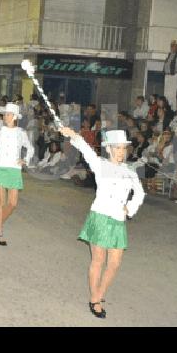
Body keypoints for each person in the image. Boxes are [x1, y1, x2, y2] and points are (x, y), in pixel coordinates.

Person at [59, 127, 145, 319]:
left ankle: (97, 295)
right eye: (118, 148)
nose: (121, 152)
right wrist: (72, 134)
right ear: (109, 149)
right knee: (99, 260)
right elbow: (85, 148)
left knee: (114, 263)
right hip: (100, 216)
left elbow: (139, 193)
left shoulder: (129, 171)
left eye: (124, 148)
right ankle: (95, 299)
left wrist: (129, 209)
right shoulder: (100, 165)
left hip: (118, 220)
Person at [0, 103, 33, 246]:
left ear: (14, 117)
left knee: (13, 204)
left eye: (8, 114)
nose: (5, 117)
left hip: (14, 169)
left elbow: (30, 148)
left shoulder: (21, 133)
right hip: (0, 168)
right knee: (1, 202)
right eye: (5, 114)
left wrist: (25, 160)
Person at [163, 40, 177, 109]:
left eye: (173, 46)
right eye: (171, 46)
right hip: (167, 75)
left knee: (172, 94)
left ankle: (173, 109)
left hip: (174, 75)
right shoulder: (170, 54)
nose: (172, 47)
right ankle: (167, 108)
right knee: (166, 94)